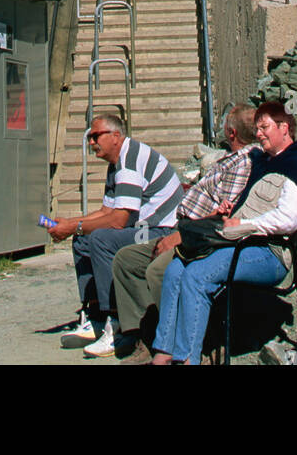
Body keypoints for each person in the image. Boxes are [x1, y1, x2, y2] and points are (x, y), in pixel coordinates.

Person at [150, 101, 297, 366]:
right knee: (176, 267)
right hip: (239, 242)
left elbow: (290, 219)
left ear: (284, 128)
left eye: (265, 127)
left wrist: (244, 225)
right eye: (257, 128)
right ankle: (164, 351)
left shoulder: (296, 166)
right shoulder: (262, 162)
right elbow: (246, 205)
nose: (259, 133)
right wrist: (229, 211)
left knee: (197, 275)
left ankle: (187, 360)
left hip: (271, 252)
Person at [108, 105, 258, 359]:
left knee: (158, 271)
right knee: (127, 259)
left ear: (231, 132)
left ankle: (177, 342)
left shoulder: (244, 162)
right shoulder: (230, 157)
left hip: (201, 236)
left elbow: (224, 213)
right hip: (186, 229)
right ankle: (142, 333)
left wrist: (182, 235)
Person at [48, 115, 183, 354]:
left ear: (115, 136)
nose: (91, 142)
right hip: (143, 227)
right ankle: (97, 317)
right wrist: (71, 225)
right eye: (90, 137)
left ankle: (117, 324)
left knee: (101, 239)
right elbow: (106, 211)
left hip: (161, 230)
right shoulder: (117, 163)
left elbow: (118, 221)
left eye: (95, 136)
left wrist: (71, 227)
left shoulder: (129, 161)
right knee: (83, 239)